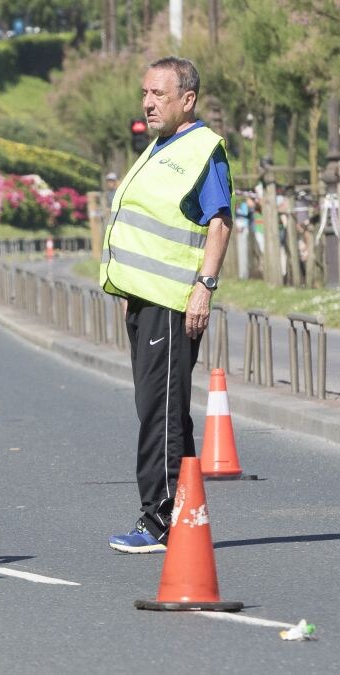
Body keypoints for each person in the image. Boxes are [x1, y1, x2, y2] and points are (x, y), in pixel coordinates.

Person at [100, 56, 233, 553]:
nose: (148, 103)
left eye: (158, 94)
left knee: (160, 413)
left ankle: (156, 520)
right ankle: (186, 514)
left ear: (187, 99)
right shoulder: (159, 146)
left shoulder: (203, 149)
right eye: (145, 94)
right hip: (144, 301)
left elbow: (219, 222)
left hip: (175, 304)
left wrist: (205, 286)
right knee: (162, 410)